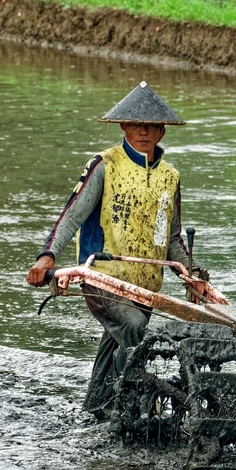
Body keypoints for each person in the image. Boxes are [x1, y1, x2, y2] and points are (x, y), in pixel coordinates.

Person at [26, 81, 198, 418]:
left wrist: (192, 273)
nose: (143, 132)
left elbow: (172, 238)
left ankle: (95, 411)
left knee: (114, 349)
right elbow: (72, 214)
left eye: (150, 126)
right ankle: (136, 407)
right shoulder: (105, 165)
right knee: (132, 328)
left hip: (145, 286)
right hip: (103, 278)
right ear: (123, 126)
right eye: (136, 124)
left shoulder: (170, 176)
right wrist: (47, 255)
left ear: (162, 131)